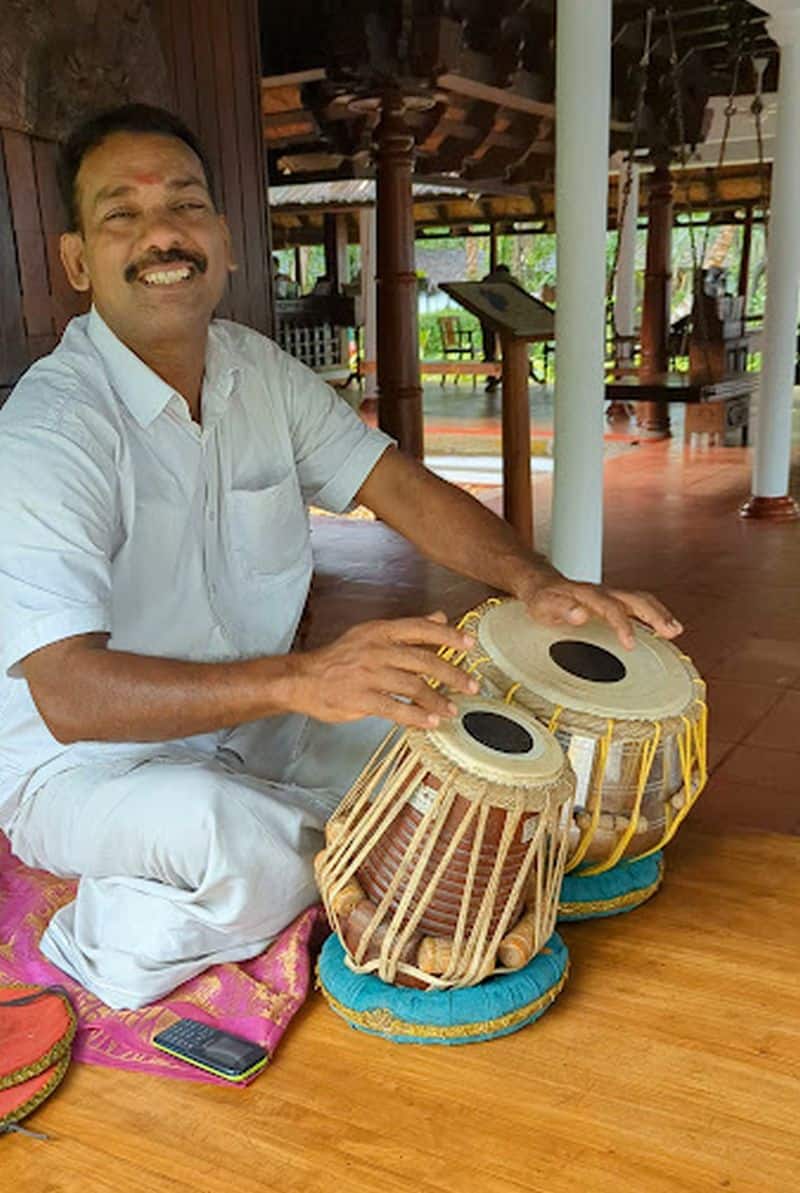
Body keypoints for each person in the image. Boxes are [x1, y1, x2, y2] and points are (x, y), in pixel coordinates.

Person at [0, 105, 682, 1010]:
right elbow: (69, 695)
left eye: (186, 205)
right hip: (89, 771)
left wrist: (538, 581)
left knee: (448, 731)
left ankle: (306, 869)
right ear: (78, 260)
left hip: (262, 729)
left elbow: (394, 484)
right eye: (120, 212)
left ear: (225, 239)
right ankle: (98, 941)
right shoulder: (51, 430)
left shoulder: (258, 374)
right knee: (239, 839)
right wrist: (301, 680)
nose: (162, 232)